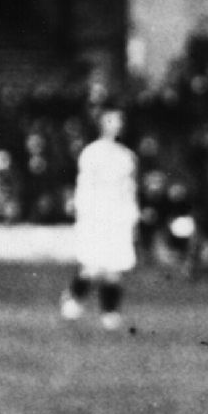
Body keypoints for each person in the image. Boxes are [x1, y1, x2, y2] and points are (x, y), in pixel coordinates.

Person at [64, 106, 141, 330]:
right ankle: (73, 298)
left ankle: (110, 312)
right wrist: (84, 213)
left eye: (120, 121)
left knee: (114, 268)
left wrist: (132, 215)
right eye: (111, 121)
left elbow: (130, 190)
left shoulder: (127, 156)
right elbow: (84, 187)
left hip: (118, 216)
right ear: (101, 124)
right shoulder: (91, 153)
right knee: (92, 266)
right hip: (96, 215)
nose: (117, 126)